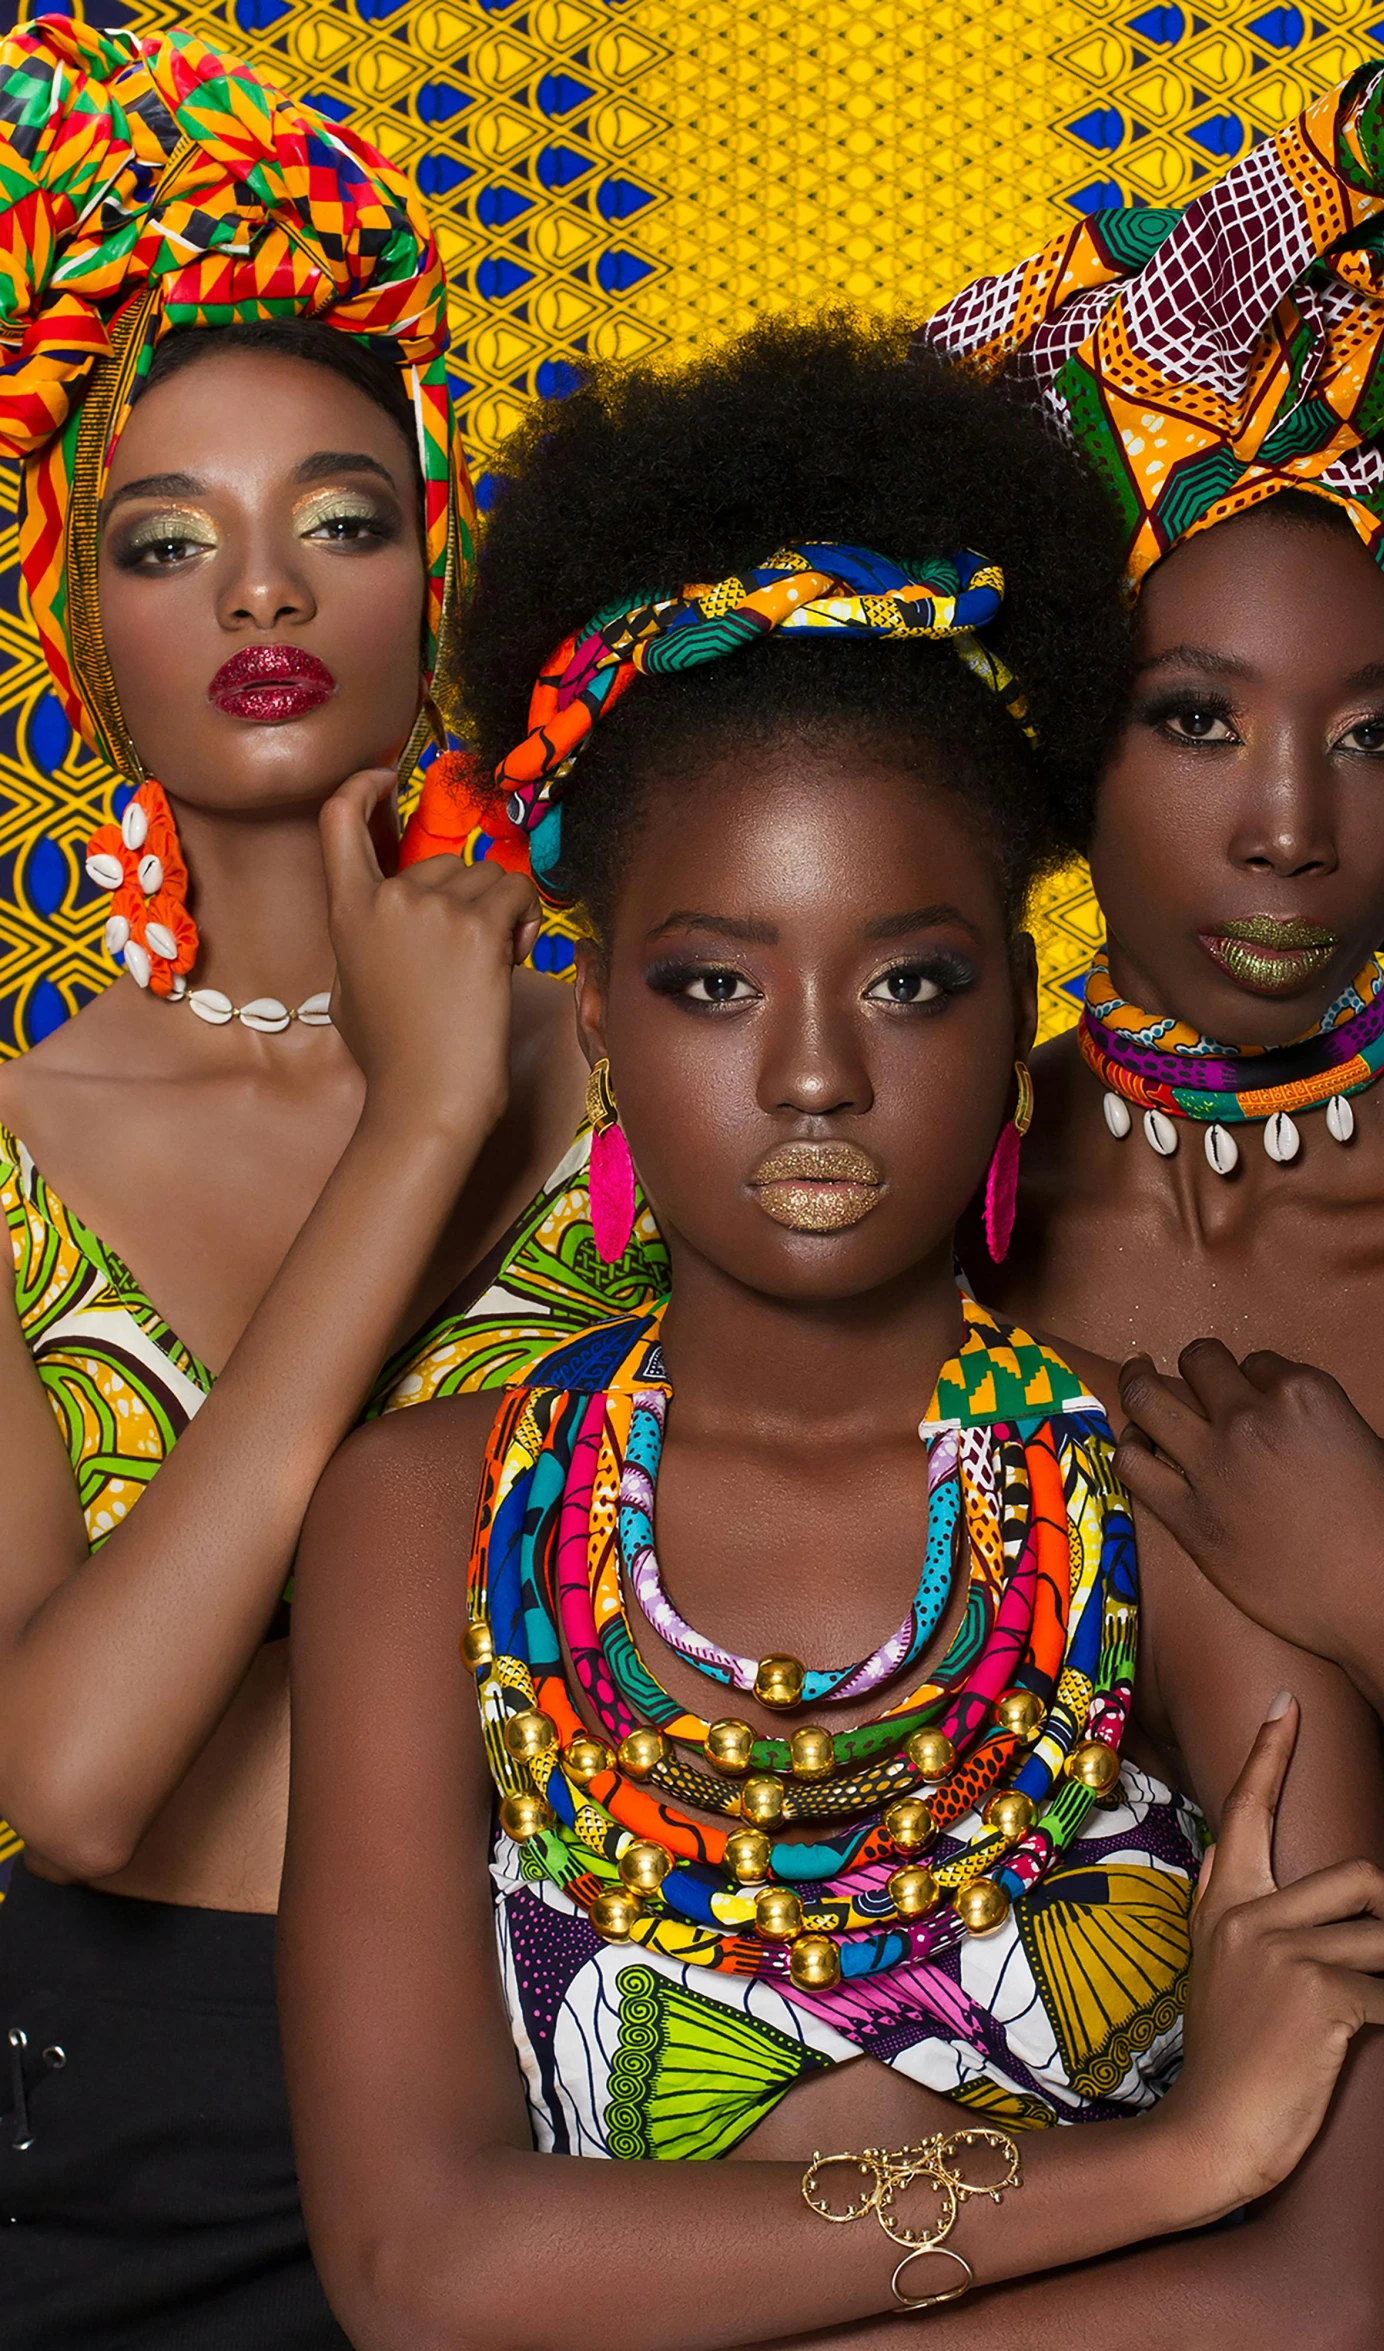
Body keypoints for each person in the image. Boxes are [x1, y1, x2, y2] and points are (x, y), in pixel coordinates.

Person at [279, 315, 1384, 2351]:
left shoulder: (1188, 1503)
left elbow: (1346, 2300)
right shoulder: (417, 1522)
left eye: (908, 984)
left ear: (1018, 1011)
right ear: (606, 1025)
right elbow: (419, 2269)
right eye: (715, 985)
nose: (815, 1073)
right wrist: (1174, 2166)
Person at [0, 21, 661, 2347]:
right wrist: (412, 1129)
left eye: (343, 516)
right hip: (111, 2166)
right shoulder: (13, 1147)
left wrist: (231, 1706)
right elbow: (73, 1775)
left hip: (616, 2120)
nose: (263, 587)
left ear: (442, 568)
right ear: (79, 629)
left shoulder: (676, 1056)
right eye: (167, 540)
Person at [922, 52, 1384, 2348]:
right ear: (1064, 738)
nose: (1291, 822)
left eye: (1379, 728)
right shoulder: (901, 1183)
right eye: (1196, 717)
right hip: (982, 2170)